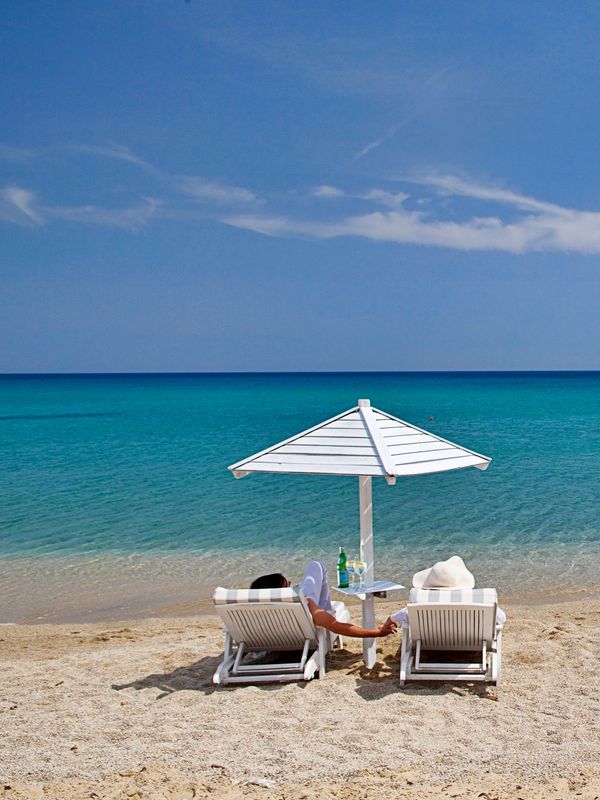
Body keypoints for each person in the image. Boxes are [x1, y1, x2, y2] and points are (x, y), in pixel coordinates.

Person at [250, 560, 397, 639]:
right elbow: (335, 626)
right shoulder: (303, 603)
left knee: (315, 569)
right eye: (289, 585)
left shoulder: (251, 610)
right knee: (316, 565)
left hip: (272, 639)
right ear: (284, 591)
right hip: (301, 634)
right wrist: (377, 633)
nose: (291, 586)